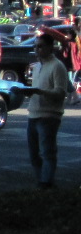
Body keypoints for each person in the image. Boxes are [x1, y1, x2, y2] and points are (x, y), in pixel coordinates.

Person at [27, 32, 70, 189]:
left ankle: (46, 182)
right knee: (33, 154)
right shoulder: (37, 66)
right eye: (35, 47)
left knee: (47, 152)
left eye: (40, 46)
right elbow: (36, 89)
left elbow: (60, 93)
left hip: (49, 115)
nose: (37, 50)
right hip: (33, 114)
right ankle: (41, 181)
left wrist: (40, 92)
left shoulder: (57, 66)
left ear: (50, 47)